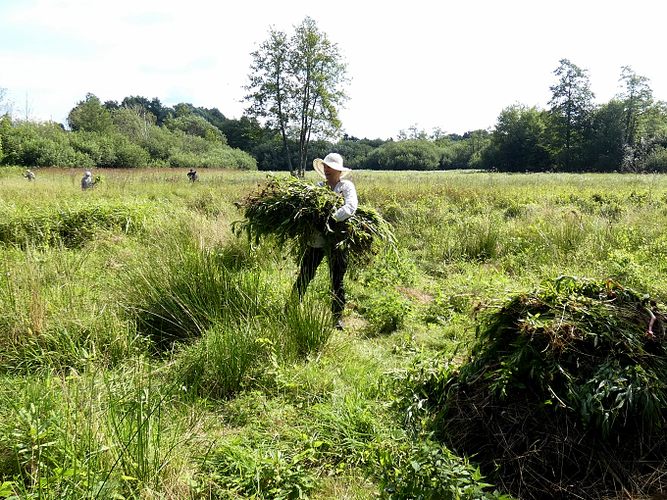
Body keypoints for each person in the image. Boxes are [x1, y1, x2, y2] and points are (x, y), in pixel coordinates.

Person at [292, 153, 358, 329]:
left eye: (330, 167)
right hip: (318, 238)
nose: (327, 170)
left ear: (338, 170)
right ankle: (290, 309)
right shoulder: (319, 187)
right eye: (325, 167)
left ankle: (337, 318)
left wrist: (332, 218)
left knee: (337, 279)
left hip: (338, 238)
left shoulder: (346, 186)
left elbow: (350, 207)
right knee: (306, 273)